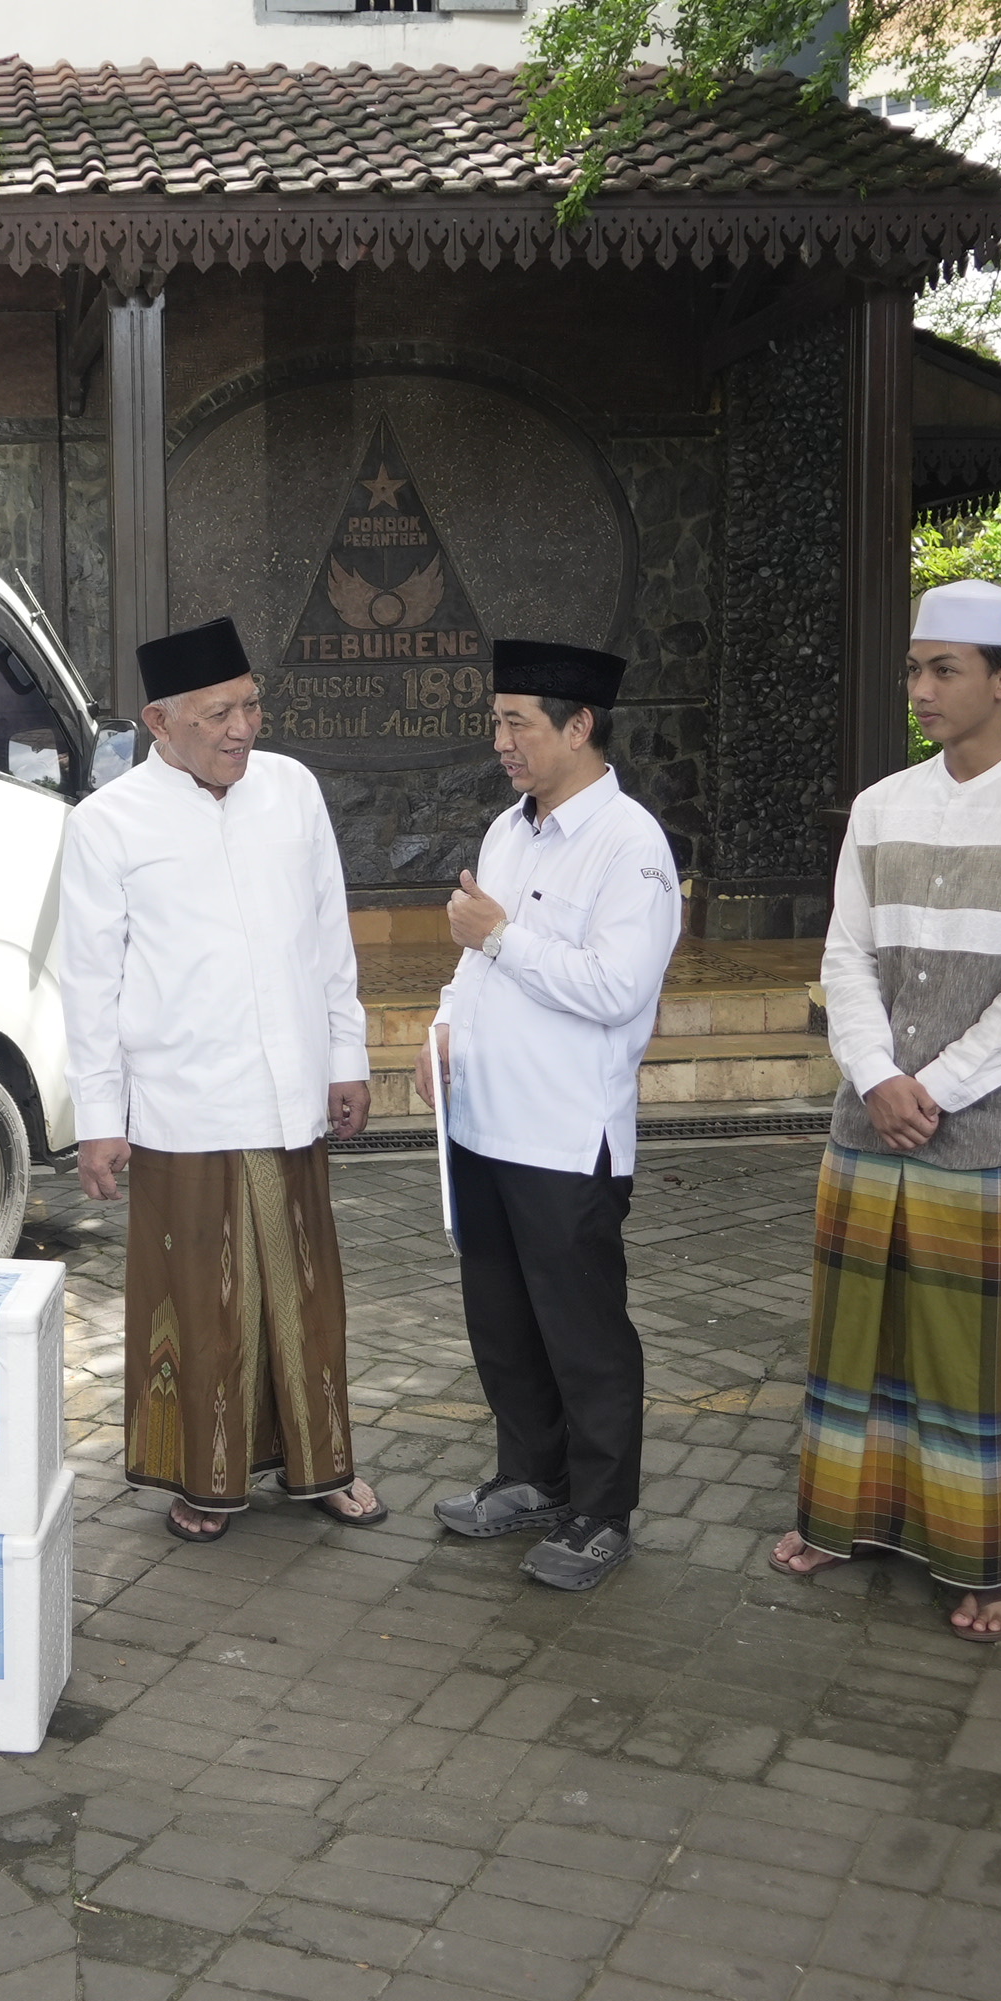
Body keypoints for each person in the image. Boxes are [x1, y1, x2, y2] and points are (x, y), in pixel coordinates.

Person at [775, 579, 1001, 1641]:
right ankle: (851, 1518)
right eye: (916, 667)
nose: (920, 687)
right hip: (871, 1122)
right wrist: (878, 1073)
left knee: (984, 1356)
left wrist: (940, 1087)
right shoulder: (883, 805)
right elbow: (847, 952)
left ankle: (993, 1561)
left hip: (993, 1133)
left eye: (945, 669)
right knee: (858, 1334)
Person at [56, 615, 388, 1543]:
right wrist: (100, 1116)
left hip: (291, 1097)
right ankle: (202, 1476)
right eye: (217, 715)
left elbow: (330, 937)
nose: (242, 729)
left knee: (305, 1292)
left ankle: (325, 1468)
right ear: (160, 724)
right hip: (180, 1106)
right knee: (198, 1304)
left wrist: (346, 1057)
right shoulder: (107, 824)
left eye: (250, 706)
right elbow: (89, 982)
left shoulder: (292, 790)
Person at [417, 640, 683, 1592]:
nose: (501, 742)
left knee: (584, 1333)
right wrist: (441, 1028)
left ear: (580, 727)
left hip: (568, 1135)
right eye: (497, 722)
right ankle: (531, 1479)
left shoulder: (631, 846)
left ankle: (603, 1512)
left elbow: (617, 989)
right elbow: (470, 961)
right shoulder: (509, 831)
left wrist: (502, 938)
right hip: (483, 1122)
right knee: (504, 1320)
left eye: (518, 722)